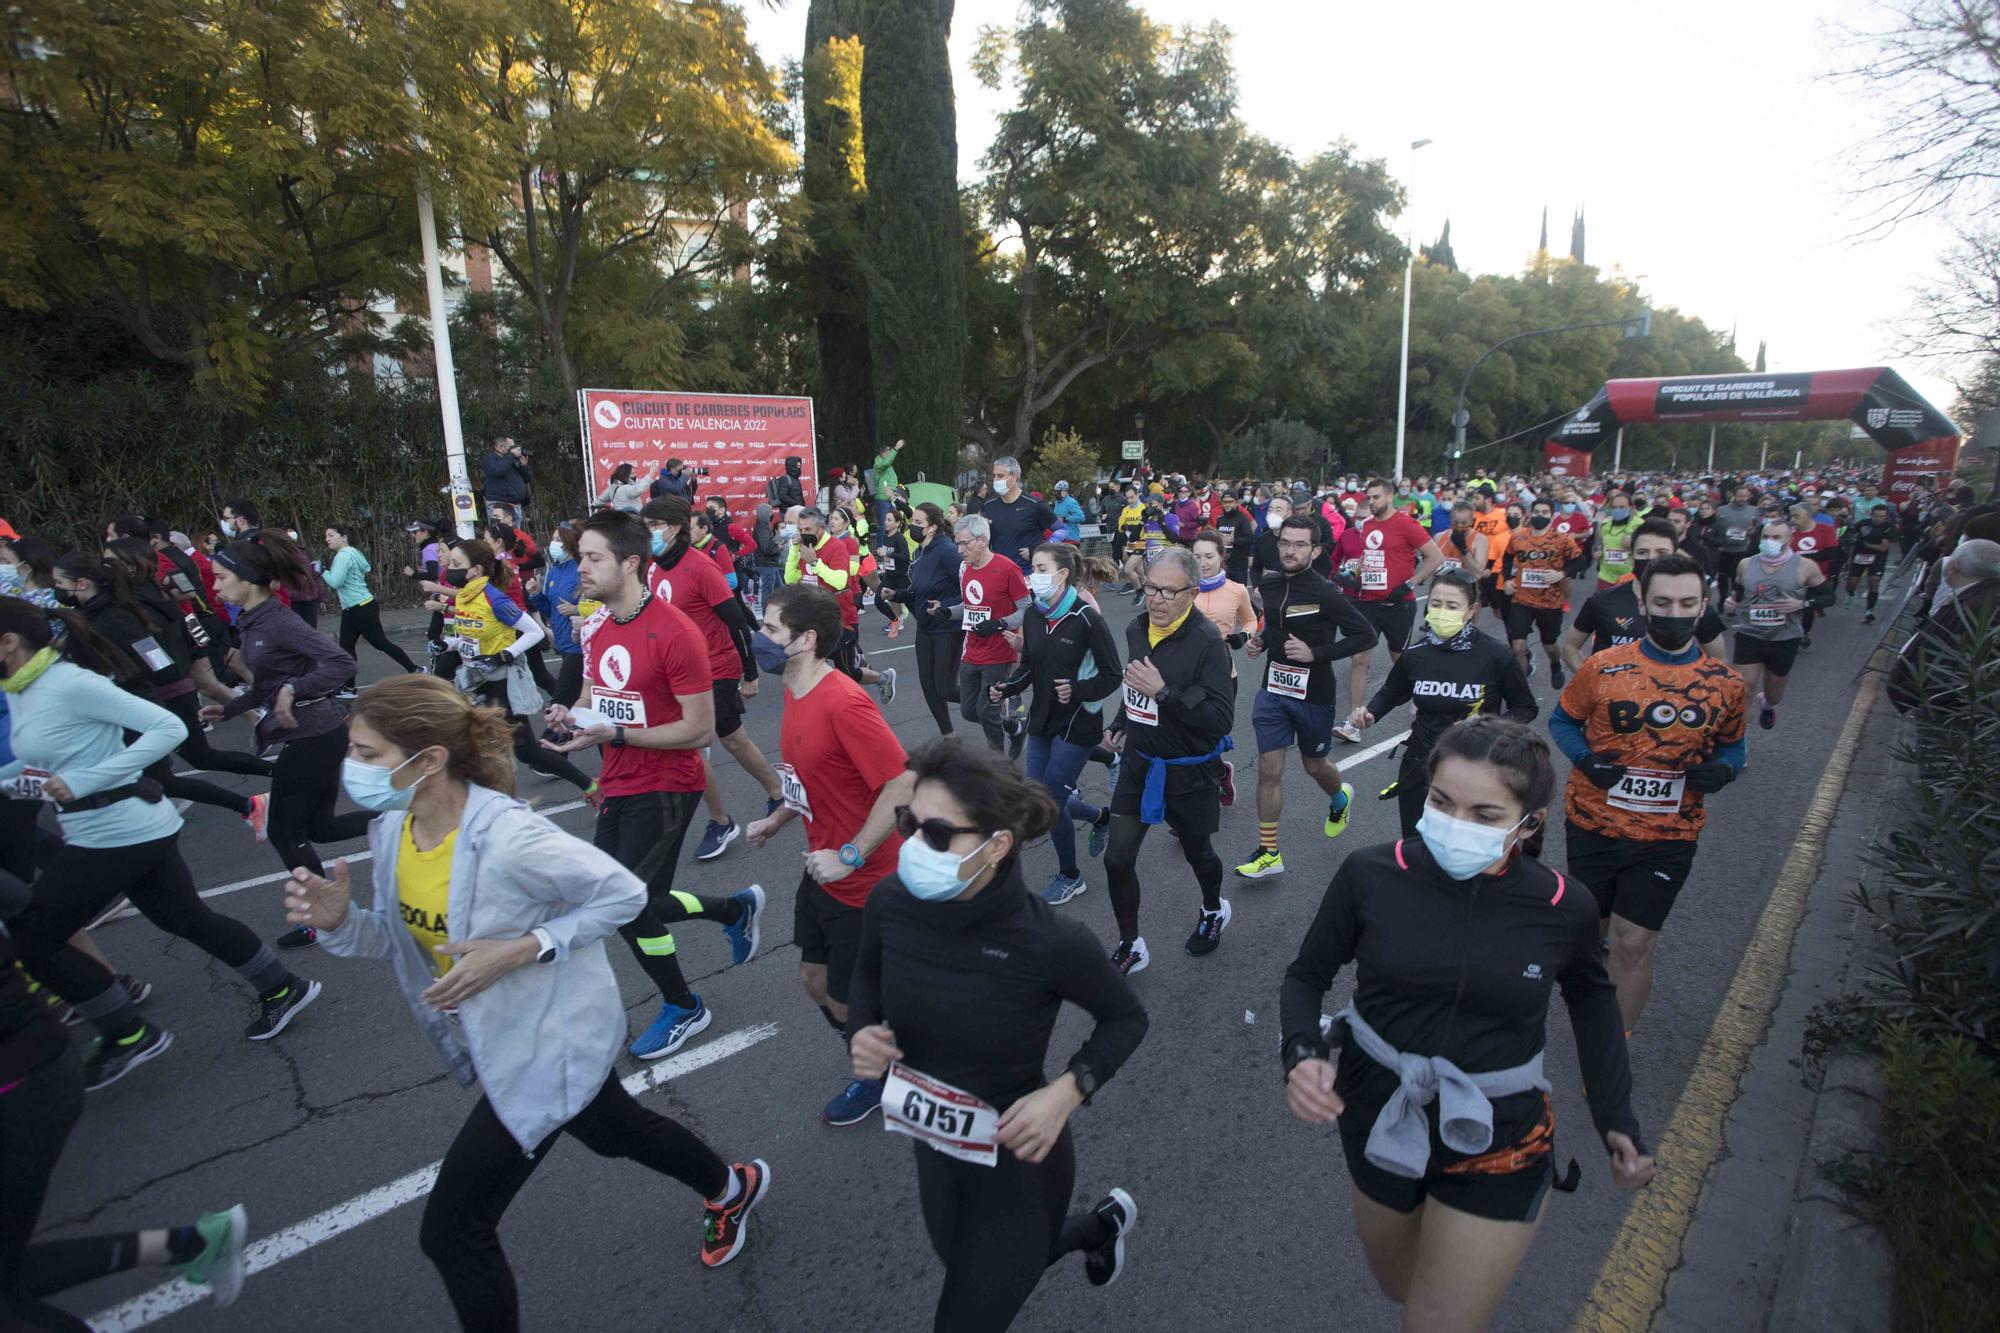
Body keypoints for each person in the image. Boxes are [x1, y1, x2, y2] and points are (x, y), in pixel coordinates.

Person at [284, 677, 769, 1330]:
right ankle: (730, 1186)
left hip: (548, 1044)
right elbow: (412, 940)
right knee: (612, 1129)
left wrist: (522, 948)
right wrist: (342, 922)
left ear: (428, 758)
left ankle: (730, 1186)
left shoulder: (509, 837)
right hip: (499, 1037)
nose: (351, 769)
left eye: (367, 753)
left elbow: (624, 895)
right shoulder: (392, 830)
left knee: (454, 1230)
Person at [1280, 717, 1654, 1332]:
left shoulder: (1565, 906)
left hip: (1500, 1137)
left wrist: (1618, 1120)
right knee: (1397, 1283)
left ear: (1528, 823)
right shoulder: (1370, 873)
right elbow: (1305, 977)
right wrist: (1301, 1053)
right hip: (1379, 1115)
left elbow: (1591, 1001)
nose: (1456, 825)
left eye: (1485, 815)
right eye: (1442, 802)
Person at [846, 739, 1148, 1332]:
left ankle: (1076, 1227)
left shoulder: (1051, 942)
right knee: (967, 1264)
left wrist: (1066, 1092)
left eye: (937, 835)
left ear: (997, 845)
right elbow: (865, 981)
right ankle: (1098, 1228)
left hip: (1020, 1163)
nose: (911, 844)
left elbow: (1127, 1017)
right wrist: (862, 1035)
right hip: (931, 1141)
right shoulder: (889, 902)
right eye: (909, 823)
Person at [0, 597, 320, 1089]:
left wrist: (89, 779)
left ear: (9, 643)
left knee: (34, 937)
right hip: (114, 827)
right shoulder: (21, 688)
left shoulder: (69, 683)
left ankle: (127, 1033)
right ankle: (281, 986)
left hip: (118, 831)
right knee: (184, 918)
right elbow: (46, 762)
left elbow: (166, 727)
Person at [544, 512, 763, 1059]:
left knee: (623, 901)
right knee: (643, 896)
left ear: (631, 562)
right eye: (579, 558)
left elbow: (699, 729)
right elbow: (594, 694)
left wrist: (616, 730)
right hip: (617, 778)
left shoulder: (675, 631)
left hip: (668, 783)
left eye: (593, 558)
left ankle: (684, 1005)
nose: (581, 570)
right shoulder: (597, 626)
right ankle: (732, 911)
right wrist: (570, 716)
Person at [0, 909, 250, 1329]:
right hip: (36, 1064)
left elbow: (15, 889)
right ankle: (191, 1245)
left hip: (24, 1078)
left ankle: (128, 1025)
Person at [1550, 553, 1747, 1031]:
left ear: (1703, 607)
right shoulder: (1602, 667)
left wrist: (1724, 770)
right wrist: (1586, 760)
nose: (1674, 614)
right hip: (1594, 824)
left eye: (1686, 603)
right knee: (1588, 935)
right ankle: (1589, 999)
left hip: (1669, 835)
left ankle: (1612, 1051)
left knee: (1633, 943)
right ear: (1642, 602)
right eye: (1663, 602)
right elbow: (1563, 721)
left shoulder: (1726, 684)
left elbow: (1734, 747)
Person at [742, 585, 915, 1124]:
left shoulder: (843, 700)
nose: (759, 639)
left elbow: (901, 783)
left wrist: (851, 855)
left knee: (847, 999)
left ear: (806, 639)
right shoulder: (797, 692)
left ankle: (883, 1074)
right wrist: (779, 817)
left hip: (863, 879)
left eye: (770, 629)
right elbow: (815, 779)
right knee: (815, 982)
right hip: (819, 867)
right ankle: (893, 1044)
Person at [204, 539, 377, 948]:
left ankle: (321, 919)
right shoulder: (252, 620)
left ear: (249, 580)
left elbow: (342, 663)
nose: (215, 587)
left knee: (284, 830)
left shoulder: (278, 620)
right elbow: (265, 683)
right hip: (310, 732)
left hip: (314, 733)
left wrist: (295, 689)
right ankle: (406, 820)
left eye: (221, 578)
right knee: (319, 826)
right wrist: (230, 708)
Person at [1100, 546, 1237, 971]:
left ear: (1192, 593)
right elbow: (1134, 682)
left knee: (1199, 853)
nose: (1155, 599)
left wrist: (1164, 693)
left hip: (1188, 770)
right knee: (1117, 857)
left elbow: (1220, 719)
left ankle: (1214, 909)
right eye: (1151, 588)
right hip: (1140, 763)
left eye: (1167, 592)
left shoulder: (1207, 644)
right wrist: (1122, 719)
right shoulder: (1137, 629)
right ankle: (1131, 943)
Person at [639, 497, 783, 862]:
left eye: (652, 525)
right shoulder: (653, 568)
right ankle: (779, 792)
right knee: (733, 740)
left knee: (688, 743)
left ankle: (720, 821)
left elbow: (735, 621)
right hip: (676, 671)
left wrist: (750, 673)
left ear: (672, 528)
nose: (646, 533)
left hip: (715, 668)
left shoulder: (700, 567)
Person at [1235, 515, 1374, 881]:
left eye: (1299, 545)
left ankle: (1340, 795)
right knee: (1269, 768)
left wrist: (1317, 653)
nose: (1290, 550)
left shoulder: (1325, 592)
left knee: (1314, 766)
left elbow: (1365, 635)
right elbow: (1276, 622)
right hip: (1274, 691)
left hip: (1314, 694)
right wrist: (1262, 640)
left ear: (1314, 551)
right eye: (1285, 543)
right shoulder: (1270, 583)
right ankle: (1269, 852)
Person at [1347, 570, 1537, 836]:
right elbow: (1392, 691)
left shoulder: (1495, 654)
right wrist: (1370, 713)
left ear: (1470, 610)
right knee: (1415, 843)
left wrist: (1489, 726)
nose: (1441, 611)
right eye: (1435, 604)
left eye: (1451, 606)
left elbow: (1526, 707)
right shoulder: (1417, 653)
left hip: (1476, 766)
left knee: (1460, 847)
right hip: (1420, 763)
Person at [991, 543, 1123, 906]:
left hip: (1079, 724)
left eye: (1041, 567)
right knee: (1044, 797)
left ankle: (1071, 876)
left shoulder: (1086, 619)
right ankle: (1101, 817)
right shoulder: (1034, 614)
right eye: (1032, 566)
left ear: (1063, 574)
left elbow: (1113, 675)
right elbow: (1032, 665)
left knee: (1049, 802)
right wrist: (1009, 688)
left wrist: (1078, 689)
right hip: (1044, 719)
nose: (1033, 574)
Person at [438, 540, 594, 794]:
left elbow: (533, 632)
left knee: (528, 752)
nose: (449, 569)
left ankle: (591, 787)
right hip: (475, 681)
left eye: (456, 564)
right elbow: (469, 637)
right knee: (467, 746)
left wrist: (504, 655)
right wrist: (448, 645)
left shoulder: (493, 598)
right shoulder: (465, 596)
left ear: (475, 570)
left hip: (502, 684)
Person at [1331, 480, 1443, 743]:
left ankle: (1424, 703)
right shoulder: (1368, 524)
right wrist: (1353, 572)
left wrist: (1409, 583)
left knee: (1401, 659)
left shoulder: (1406, 524)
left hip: (1399, 604)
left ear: (1391, 497)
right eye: (1369, 497)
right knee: (1359, 659)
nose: (1372, 501)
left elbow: (1435, 557)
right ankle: (1353, 723)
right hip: (1368, 601)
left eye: (1377, 497)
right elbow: (1369, 556)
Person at [1560, 521, 1727, 671]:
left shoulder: (1693, 606)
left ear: (1675, 554)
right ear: (1632, 557)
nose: (1651, 559)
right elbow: (1570, 646)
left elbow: (1719, 660)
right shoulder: (1602, 602)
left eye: (1661, 552)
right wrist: (1591, 682)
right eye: (1642, 552)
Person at [1723, 516, 1829, 731]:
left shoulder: (1806, 566)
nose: (1769, 541)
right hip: (1749, 634)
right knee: (1745, 689)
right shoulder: (1745, 564)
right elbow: (1739, 589)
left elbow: (1829, 596)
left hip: (1784, 637)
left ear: (1789, 540)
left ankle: (1768, 705)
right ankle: (1738, 740)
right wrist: (1732, 601)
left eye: (1776, 537)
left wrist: (1802, 603)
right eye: (1765, 536)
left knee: (1775, 694)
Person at [781, 507, 896, 701]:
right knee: (809, 665)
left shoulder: (836, 546)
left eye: (808, 529)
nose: (803, 534)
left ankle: (883, 678)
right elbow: (790, 579)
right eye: (800, 530)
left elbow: (840, 580)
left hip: (840, 619)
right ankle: (822, 706)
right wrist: (794, 549)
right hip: (814, 620)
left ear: (820, 528)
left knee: (848, 673)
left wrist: (816, 563)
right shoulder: (804, 547)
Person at [1890, 537, 2000, 712]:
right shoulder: (1975, 597)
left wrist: (1927, 702)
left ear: (1953, 567)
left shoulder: (1976, 606)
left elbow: (1947, 657)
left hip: (1943, 710)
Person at [952, 514, 1032, 754]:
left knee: (987, 710)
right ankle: (1015, 727)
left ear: (983, 540)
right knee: (969, 710)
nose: (960, 550)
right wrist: (946, 613)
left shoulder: (1007, 568)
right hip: (972, 650)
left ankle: (997, 767)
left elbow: (1027, 608)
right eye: (958, 543)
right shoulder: (966, 569)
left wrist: (999, 624)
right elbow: (970, 606)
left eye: (965, 543)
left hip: (999, 651)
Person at [322, 524, 421, 689]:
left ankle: (416, 669)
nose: (327, 539)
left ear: (344, 537)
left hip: (360, 607)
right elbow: (366, 567)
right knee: (346, 647)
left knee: (379, 642)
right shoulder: (354, 552)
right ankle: (348, 687)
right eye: (326, 536)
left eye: (331, 535)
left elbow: (335, 582)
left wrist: (322, 571)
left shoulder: (343, 556)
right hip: (355, 607)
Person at [1501, 496, 1581, 686]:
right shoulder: (1518, 537)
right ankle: (1520, 686)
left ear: (1552, 516)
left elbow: (1580, 561)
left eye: (1544, 513)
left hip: (1550, 602)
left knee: (1549, 644)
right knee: (1518, 646)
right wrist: (1507, 580)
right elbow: (1507, 558)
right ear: (1530, 515)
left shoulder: (1562, 540)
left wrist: (1562, 574)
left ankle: (1555, 664)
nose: (1540, 516)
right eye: (1537, 512)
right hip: (1521, 600)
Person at [905, 503, 964, 736]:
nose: (913, 526)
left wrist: (946, 606)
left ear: (932, 527)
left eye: (918, 523)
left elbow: (968, 587)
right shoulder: (918, 553)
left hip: (948, 628)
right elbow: (918, 589)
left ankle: (992, 707)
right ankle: (948, 735)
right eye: (914, 521)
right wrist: (896, 594)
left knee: (945, 688)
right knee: (929, 687)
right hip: (925, 628)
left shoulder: (947, 551)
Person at [983, 456, 1057, 573]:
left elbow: (1062, 530)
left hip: (1026, 575)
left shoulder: (1034, 505)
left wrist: (1038, 550)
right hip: (998, 572)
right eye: (994, 476)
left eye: (1000, 476)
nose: (996, 480)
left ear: (1015, 477)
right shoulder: (989, 505)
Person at [1843, 501, 1895, 623]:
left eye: (1881, 516)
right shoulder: (1862, 524)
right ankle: (1851, 594)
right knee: (1851, 584)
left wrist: (1866, 544)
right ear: (1871, 514)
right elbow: (1850, 537)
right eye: (1876, 515)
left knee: (1874, 582)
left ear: (1886, 516)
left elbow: (1883, 547)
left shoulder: (1889, 527)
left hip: (1877, 558)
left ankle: (1869, 611)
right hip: (1859, 556)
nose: (1878, 518)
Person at [1710, 485, 1760, 603]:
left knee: (1737, 577)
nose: (1742, 498)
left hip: (1742, 549)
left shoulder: (1753, 510)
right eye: (1739, 496)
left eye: (1745, 496)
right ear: (1733, 496)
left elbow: (1758, 527)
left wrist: (1753, 531)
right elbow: (1714, 527)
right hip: (1724, 550)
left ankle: (1735, 599)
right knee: (1722, 577)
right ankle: (1722, 598)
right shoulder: (1721, 510)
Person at [1589, 487, 1643, 592]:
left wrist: (1634, 543)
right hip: (1606, 576)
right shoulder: (1605, 524)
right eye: (1614, 507)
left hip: (1630, 576)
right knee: (1603, 606)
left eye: (1622, 507)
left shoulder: (1640, 525)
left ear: (1631, 508)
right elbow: (1599, 542)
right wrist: (1597, 551)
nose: (1618, 510)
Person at [480, 436, 533, 518]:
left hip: (515, 506)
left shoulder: (509, 460)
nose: (514, 450)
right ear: (501, 447)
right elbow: (499, 470)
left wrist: (524, 465)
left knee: (514, 531)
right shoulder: (490, 459)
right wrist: (511, 455)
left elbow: (527, 478)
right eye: (511, 447)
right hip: (500, 506)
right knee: (502, 530)